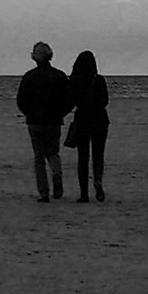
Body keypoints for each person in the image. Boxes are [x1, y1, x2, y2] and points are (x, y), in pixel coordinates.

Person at [14, 42, 71, 202]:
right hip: (54, 120)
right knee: (53, 153)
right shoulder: (59, 76)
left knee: (39, 157)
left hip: (35, 121)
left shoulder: (30, 76)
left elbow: (21, 100)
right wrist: (61, 113)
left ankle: (44, 192)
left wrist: (29, 113)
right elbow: (69, 99)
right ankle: (56, 174)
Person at [64, 49, 109, 202]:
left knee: (83, 157)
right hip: (101, 120)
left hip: (83, 119)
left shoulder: (75, 81)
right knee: (98, 155)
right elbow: (105, 101)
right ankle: (98, 181)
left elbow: (69, 101)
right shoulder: (99, 80)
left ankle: (84, 194)